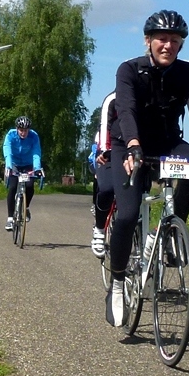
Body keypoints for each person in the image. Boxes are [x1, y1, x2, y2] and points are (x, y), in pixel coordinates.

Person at [105, 10, 189, 326]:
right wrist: (132, 144)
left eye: (175, 40)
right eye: (162, 39)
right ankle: (117, 283)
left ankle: (170, 229)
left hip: (168, 142)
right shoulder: (129, 70)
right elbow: (127, 110)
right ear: (148, 40)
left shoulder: (188, 73)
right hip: (129, 145)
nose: (168, 45)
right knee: (129, 214)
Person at [89, 91, 117, 258]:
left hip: (134, 153)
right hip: (107, 150)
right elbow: (103, 135)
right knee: (105, 187)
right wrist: (106, 151)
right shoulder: (112, 100)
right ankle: (99, 229)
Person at [3, 116, 43, 232]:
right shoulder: (10, 135)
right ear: (17, 129)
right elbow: (7, 151)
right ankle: (10, 219)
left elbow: (36, 152)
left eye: (26, 130)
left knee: (30, 186)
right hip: (14, 163)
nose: (23, 133)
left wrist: (37, 168)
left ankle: (26, 208)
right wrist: (9, 166)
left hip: (28, 164)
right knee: (13, 187)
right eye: (21, 130)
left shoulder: (34, 136)